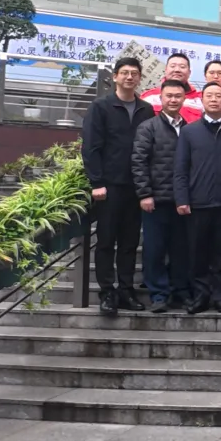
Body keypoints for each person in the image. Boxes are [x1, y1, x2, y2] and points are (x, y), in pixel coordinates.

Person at [82, 57, 155, 315]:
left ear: (140, 78)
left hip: (136, 187)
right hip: (109, 187)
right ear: (115, 76)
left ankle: (126, 290)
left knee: (129, 242)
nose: (129, 77)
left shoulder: (146, 109)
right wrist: (97, 182)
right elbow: (91, 147)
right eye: (124, 72)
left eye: (134, 73)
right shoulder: (101, 107)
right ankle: (107, 292)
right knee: (106, 241)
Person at [174, 82, 221, 314]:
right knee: (197, 253)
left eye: (218, 96)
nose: (213, 99)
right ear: (202, 101)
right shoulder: (189, 131)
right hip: (197, 203)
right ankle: (201, 296)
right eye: (209, 96)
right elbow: (181, 168)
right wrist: (182, 198)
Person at [129, 79, 190, 312]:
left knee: (181, 250)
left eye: (177, 96)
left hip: (182, 201)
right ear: (161, 99)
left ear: (184, 99)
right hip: (155, 200)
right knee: (154, 249)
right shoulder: (149, 127)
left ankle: (179, 291)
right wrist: (144, 194)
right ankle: (158, 295)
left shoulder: (189, 128)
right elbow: (138, 162)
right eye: (169, 96)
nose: (173, 100)